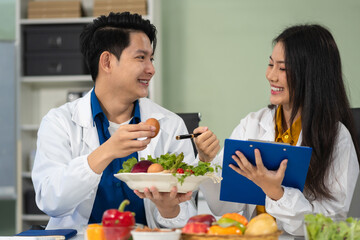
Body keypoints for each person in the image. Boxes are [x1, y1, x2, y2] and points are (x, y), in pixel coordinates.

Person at [31, 12, 215, 231]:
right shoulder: (59, 122)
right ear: (107, 61)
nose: (151, 69)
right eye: (141, 58)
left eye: (151, 58)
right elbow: (50, 201)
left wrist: (169, 209)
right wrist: (107, 151)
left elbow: (185, 218)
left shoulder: (169, 125)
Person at [196, 24, 360, 236]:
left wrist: (277, 193)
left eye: (282, 69)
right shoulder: (252, 124)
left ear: (311, 74)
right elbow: (224, 205)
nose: (271, 76)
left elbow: (333, 224)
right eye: (270, 64)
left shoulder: (337, 138)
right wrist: (207, 162)